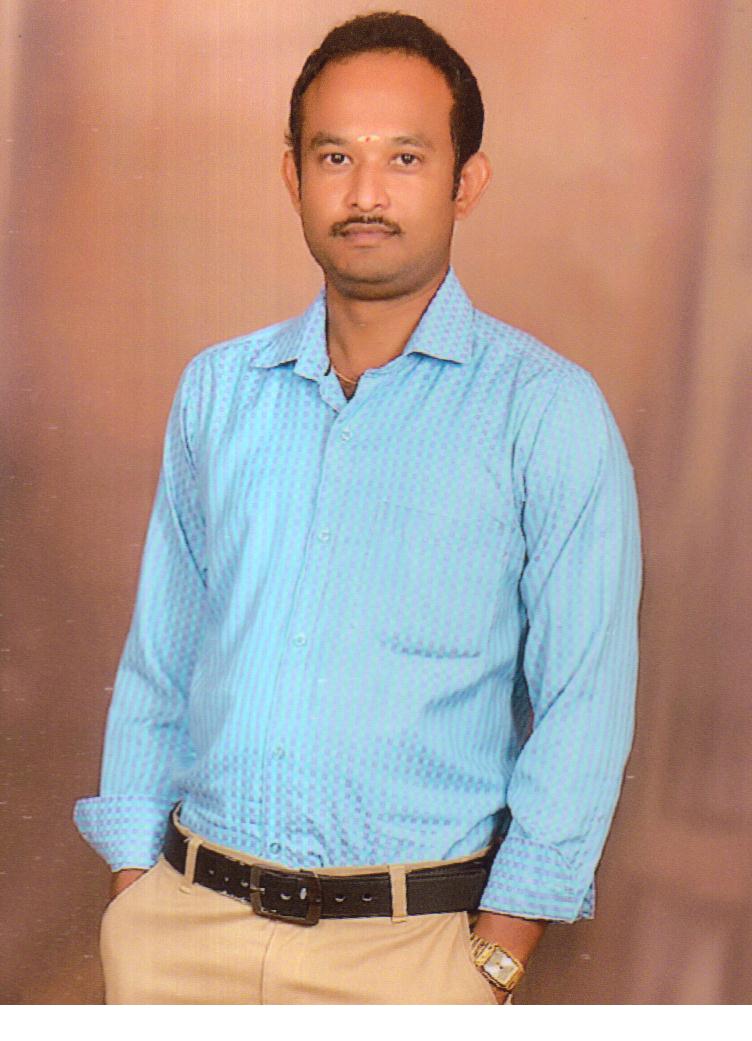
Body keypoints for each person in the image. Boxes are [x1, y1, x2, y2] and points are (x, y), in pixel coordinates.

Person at [74, 11, 642, 1005]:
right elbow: (161, 658)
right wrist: (134, 890)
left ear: (466, 180)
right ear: (291, 175)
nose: (366, 193)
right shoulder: (218, 392)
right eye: (334, 155)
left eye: (405, 158)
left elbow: (582, 703)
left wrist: (497, 957)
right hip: (179, 940)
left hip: (410, 961)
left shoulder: (546, 412)